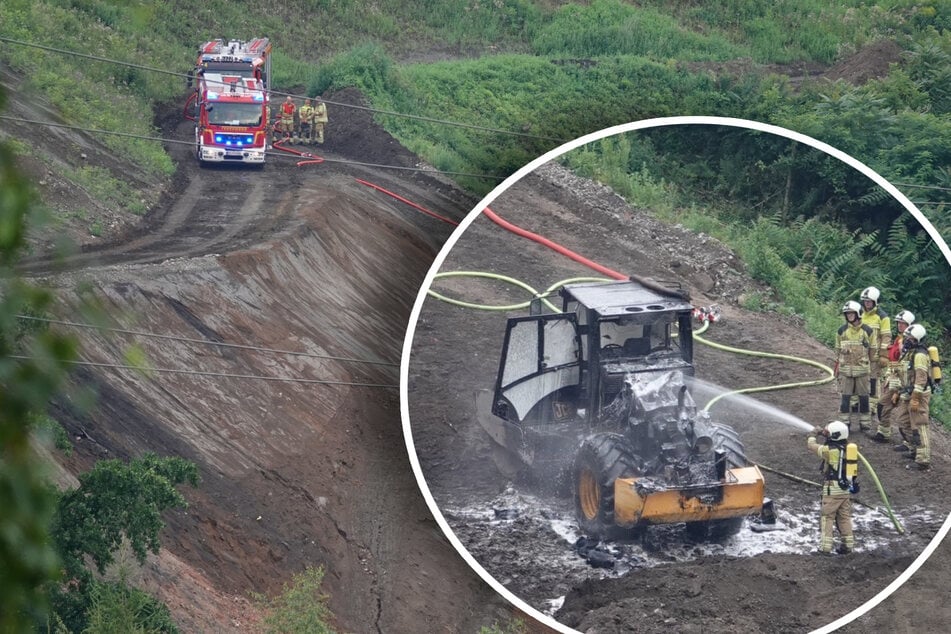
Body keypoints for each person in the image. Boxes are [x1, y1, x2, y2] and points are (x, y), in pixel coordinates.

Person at [808, 420, 858, 554]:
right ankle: (848, 546)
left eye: (828, 433)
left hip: (832, 490)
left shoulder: (830, 451)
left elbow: (811, 445)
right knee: (844, 517)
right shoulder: (849, 448)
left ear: (835, 435)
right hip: (845, 489)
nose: (826, 434)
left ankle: (825, 548)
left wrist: (814, 433)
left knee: (827, 517)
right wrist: (824, 433)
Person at [893, 323, 933, 470]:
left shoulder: (920, 355)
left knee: (920, 425)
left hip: (919, 395)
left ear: (918, 340)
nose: (908, 340)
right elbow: (903, 373)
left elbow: (921, 378)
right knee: (903, 421)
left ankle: (923, 460)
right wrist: (898, 391)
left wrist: (916, 397)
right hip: (907, 393)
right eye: (907, 337)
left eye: (911, 338)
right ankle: (913, 449)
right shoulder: (909, 353)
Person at [873, 309, 914, 443]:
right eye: (899, 323)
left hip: (899, 378)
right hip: (892, 375)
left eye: (903, 323)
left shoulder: (908, 342)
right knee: (884, 405)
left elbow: (904, 361)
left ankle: (889, 435)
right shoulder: (899, 339)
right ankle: (883, 432)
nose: (900, 325)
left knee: (885, 405)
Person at [835, 300, 876, 431]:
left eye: (852, 313)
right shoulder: (841, 331)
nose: (849, 316)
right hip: (846, 372)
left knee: (864, 398)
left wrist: (870, 367)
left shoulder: (867, 331)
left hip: (862, 372)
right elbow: (837, 350)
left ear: (858, 313)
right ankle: (844, 424)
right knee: (845, 398)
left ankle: (865, 425)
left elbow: (873, 350)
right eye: (847, 314)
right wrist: (837, 368)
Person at [859, 287, 891, 428]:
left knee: (873, 379)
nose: (867, 303)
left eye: (869, 301)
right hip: (860, 353)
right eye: (865, 301)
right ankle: (858, 402)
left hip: (875, 354)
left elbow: (886, 336)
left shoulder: (882, 317)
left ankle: (871, 405)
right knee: (859, 377)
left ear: (875, 302)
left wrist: (883, 355)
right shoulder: (859, 314)